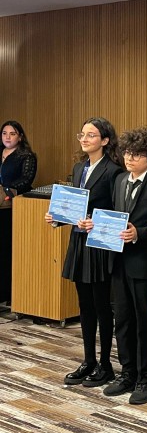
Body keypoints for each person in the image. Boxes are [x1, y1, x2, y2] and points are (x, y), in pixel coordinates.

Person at [101, 127, 147, 405]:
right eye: (127, 153)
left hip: (144, 263)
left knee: (145, 321)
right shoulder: (119, 180)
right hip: (119, 260)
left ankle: (146, 378)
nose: (130, 158)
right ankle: (127, 372)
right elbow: (115, 216)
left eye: (137, 154)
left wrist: (139, 233)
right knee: (122, 319)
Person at [45, 118, 122, 387]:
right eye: (82, 135)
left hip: (99, 243)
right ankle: (88, 360)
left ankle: (105, 364)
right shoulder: (79, 168)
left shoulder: (114, 171)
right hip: (79, 241)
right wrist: (58, 218)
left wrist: (96, 222)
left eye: (91, 135)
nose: (85, 139)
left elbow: (118, 210)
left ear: (105, 140)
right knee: (84, 305)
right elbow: (74, 206)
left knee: (102, 306)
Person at [0, 121, 37, 302]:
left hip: (13, 207)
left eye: (12, 133)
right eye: (4, 133)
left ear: (20, 137)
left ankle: (7, 292)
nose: (7, 137)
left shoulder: (26, 156)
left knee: (7, 249)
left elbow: (26, 179)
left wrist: (7, 191)